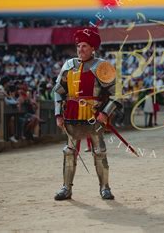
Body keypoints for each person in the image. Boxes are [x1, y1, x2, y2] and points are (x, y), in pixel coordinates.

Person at [52, 26, 121, 200]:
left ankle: (105, 187)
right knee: (69, 151)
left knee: (99, 151)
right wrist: (58, 114)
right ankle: (66, 188)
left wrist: (105, 113)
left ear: (92, 48)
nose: (80, 49)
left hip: (93, 116)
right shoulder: (69, 65)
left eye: (84, 46)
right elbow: (58, 90)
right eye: (78, 46)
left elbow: (118, 93)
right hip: (72, 116)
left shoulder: (103, 66)